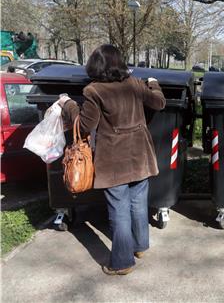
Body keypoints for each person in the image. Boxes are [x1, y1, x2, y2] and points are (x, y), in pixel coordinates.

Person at [58, 44, 166, 276]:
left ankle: (122, 261)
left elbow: (86, 126)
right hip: (140, 155)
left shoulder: (94, 91)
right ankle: (140, 247)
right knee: (138, 203)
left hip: (114, 160)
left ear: (95, 66)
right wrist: (154, 83)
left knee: (119, 209)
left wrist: (68, 104)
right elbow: (159, 102)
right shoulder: (134, 84)